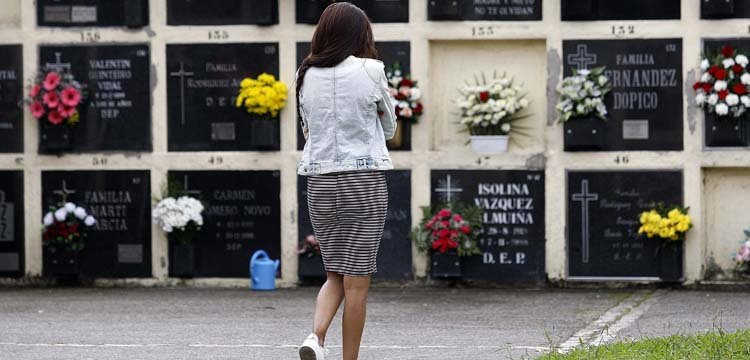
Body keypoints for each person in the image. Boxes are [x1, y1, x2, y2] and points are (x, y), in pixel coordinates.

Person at [295, 2, 397, 360]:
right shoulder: (372, 70)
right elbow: (389, 126)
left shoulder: (304, 74)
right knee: (358, 284)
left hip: (320, 183)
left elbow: (307, 130)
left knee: (334, 272)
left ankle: (316, 337)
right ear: (360, 34)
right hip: (363, 180)